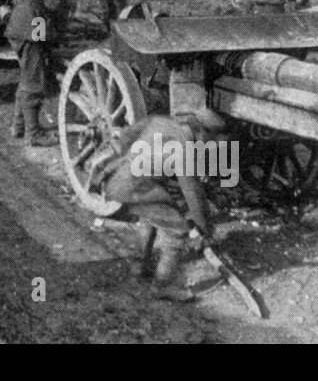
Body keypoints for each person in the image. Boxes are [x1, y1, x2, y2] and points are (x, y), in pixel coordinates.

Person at [91, 105, 224, 301]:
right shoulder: (184, 147)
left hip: (115, 178)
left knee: (150, 217)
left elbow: (124, 139)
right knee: (177, 230)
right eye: (209, 140)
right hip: (134, 187)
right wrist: (205, 228)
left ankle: (138, 266)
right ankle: (163, 285)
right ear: (201, 132)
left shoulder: (161, 121)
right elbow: (192, 192)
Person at [6, 0, 71, 146]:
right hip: (32, 26)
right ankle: (34, 134)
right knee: (34, 78)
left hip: (25, 23)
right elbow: (52, 1)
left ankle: (18, 126)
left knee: (28, 74)